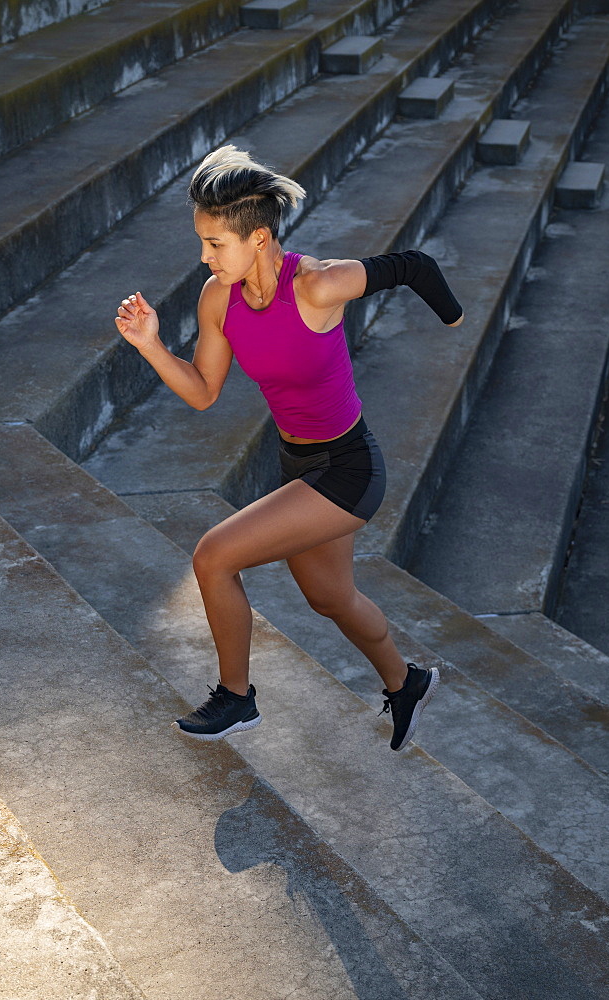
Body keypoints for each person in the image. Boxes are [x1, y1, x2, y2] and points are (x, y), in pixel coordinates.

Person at [115, 145, 463, 751]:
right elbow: (202, 392)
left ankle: (237, 698)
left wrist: (453, 318)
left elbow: (411, 265)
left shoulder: (318, 286)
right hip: (299, 465)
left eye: (215, 243)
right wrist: (149, 343)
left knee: (213, 556)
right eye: (202, 242)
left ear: (258, 237)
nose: (204, 256)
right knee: (329, 596)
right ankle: (407, 682)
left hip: (350, 467)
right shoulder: (217, 298)